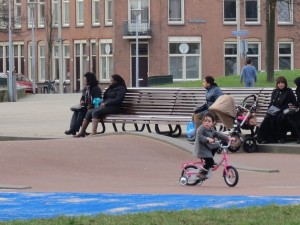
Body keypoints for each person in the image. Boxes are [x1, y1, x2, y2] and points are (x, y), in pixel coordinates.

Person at [193, 112, 235, 179]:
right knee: (210, 162)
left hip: (207, 148)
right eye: (205, 121)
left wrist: (228, 138)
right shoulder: (201, 129)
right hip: (201, 149)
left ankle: (209, 160)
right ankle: (201, 173)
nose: (207, 123)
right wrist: (207, 139)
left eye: (209, 121)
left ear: (213, 123)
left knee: (217, 145)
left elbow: (218, 134)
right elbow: (199, 136)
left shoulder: (211, 129)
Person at [257, 76, 296, 144]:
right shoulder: (275, 91)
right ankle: (262, 138)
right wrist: (269, 110)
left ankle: (279, 137)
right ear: (277, 84)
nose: (281, 84)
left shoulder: (288, 91)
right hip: (274, 109)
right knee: (267, 119)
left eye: (282, 83)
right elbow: (272, 103)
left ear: (285, 83)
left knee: (279, 118)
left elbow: (294, 101)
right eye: (279, 83)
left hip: (283, 109)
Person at [283, 77, 300, 143]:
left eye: (295, 84)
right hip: (298, 110)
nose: (295, 85)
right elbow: (297, 102)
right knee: (290, 117)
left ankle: (298, 136)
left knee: (293, 119)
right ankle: (297, 136)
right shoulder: (298, 90)